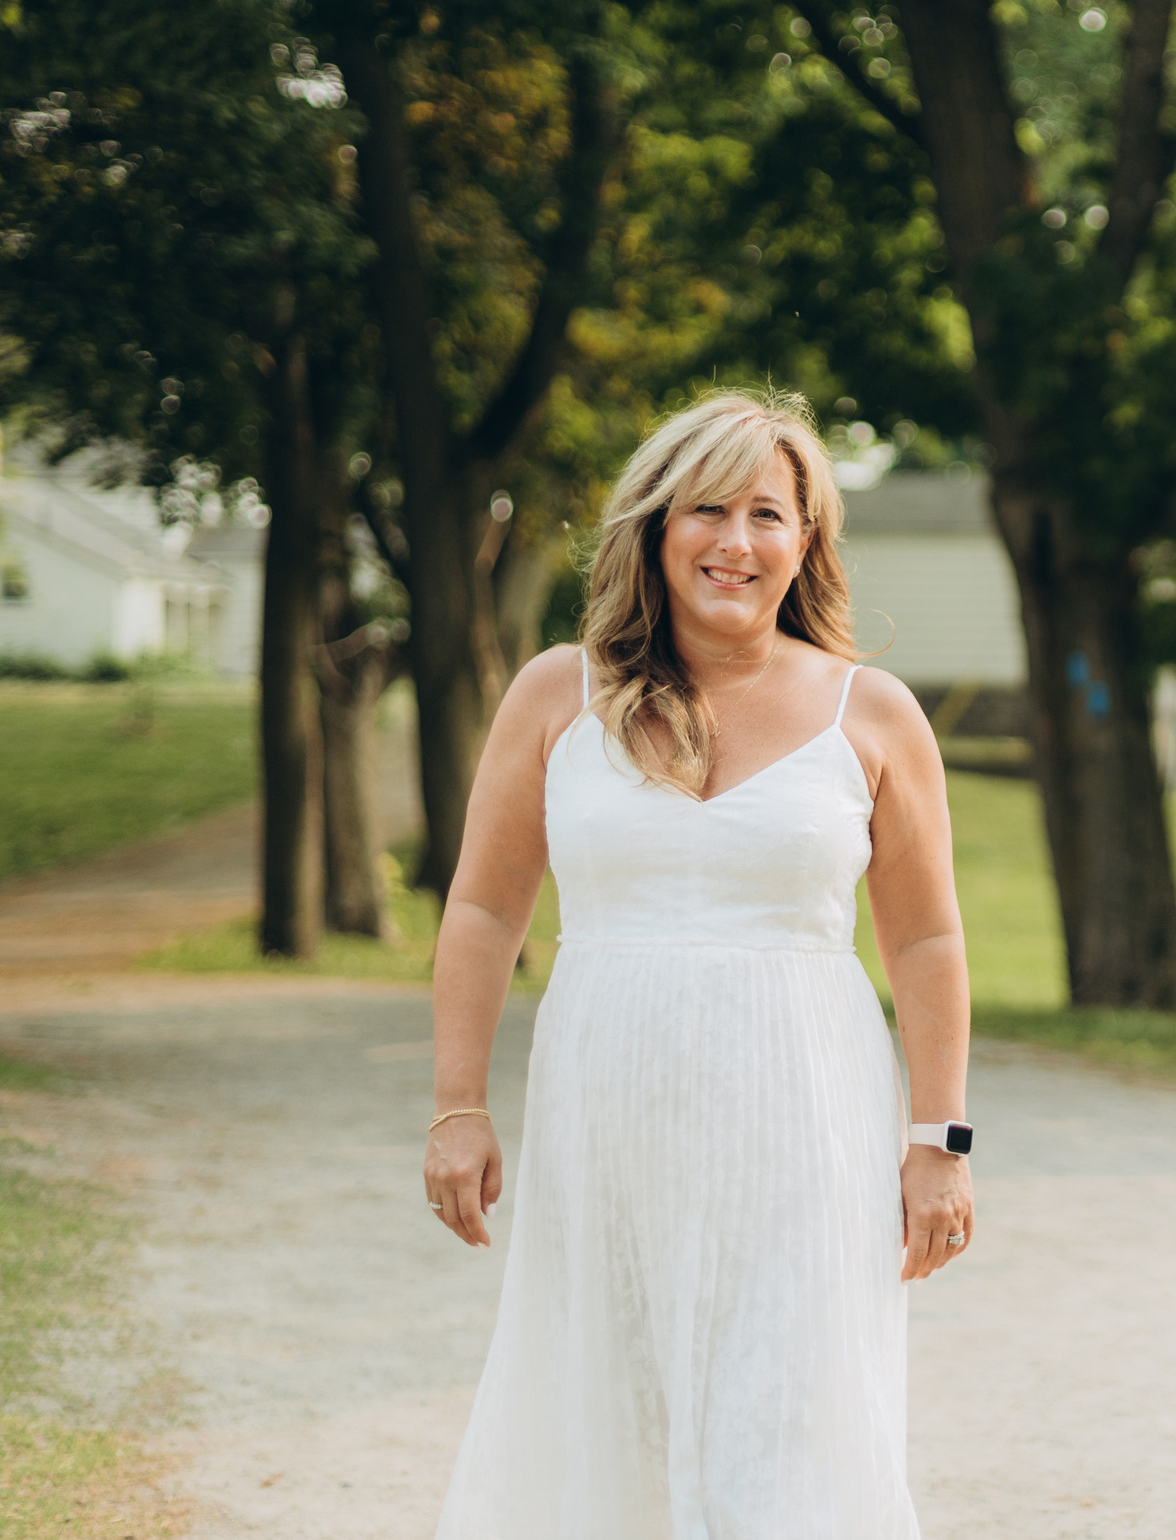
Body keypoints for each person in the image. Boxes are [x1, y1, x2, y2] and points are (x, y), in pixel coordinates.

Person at [423, 389, 974, 1538]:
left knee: (784, 1432)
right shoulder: (554, 695)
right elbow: (482, 907)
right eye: (706, 510)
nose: (735, 542)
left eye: (768, 514)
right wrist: (455, 1106)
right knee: (601, 1422)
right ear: (655, 530)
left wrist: (939, 1143)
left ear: (807, 541)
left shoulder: (871, 715)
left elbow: (924, 938)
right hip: (605, 1121)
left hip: (804, 1127)